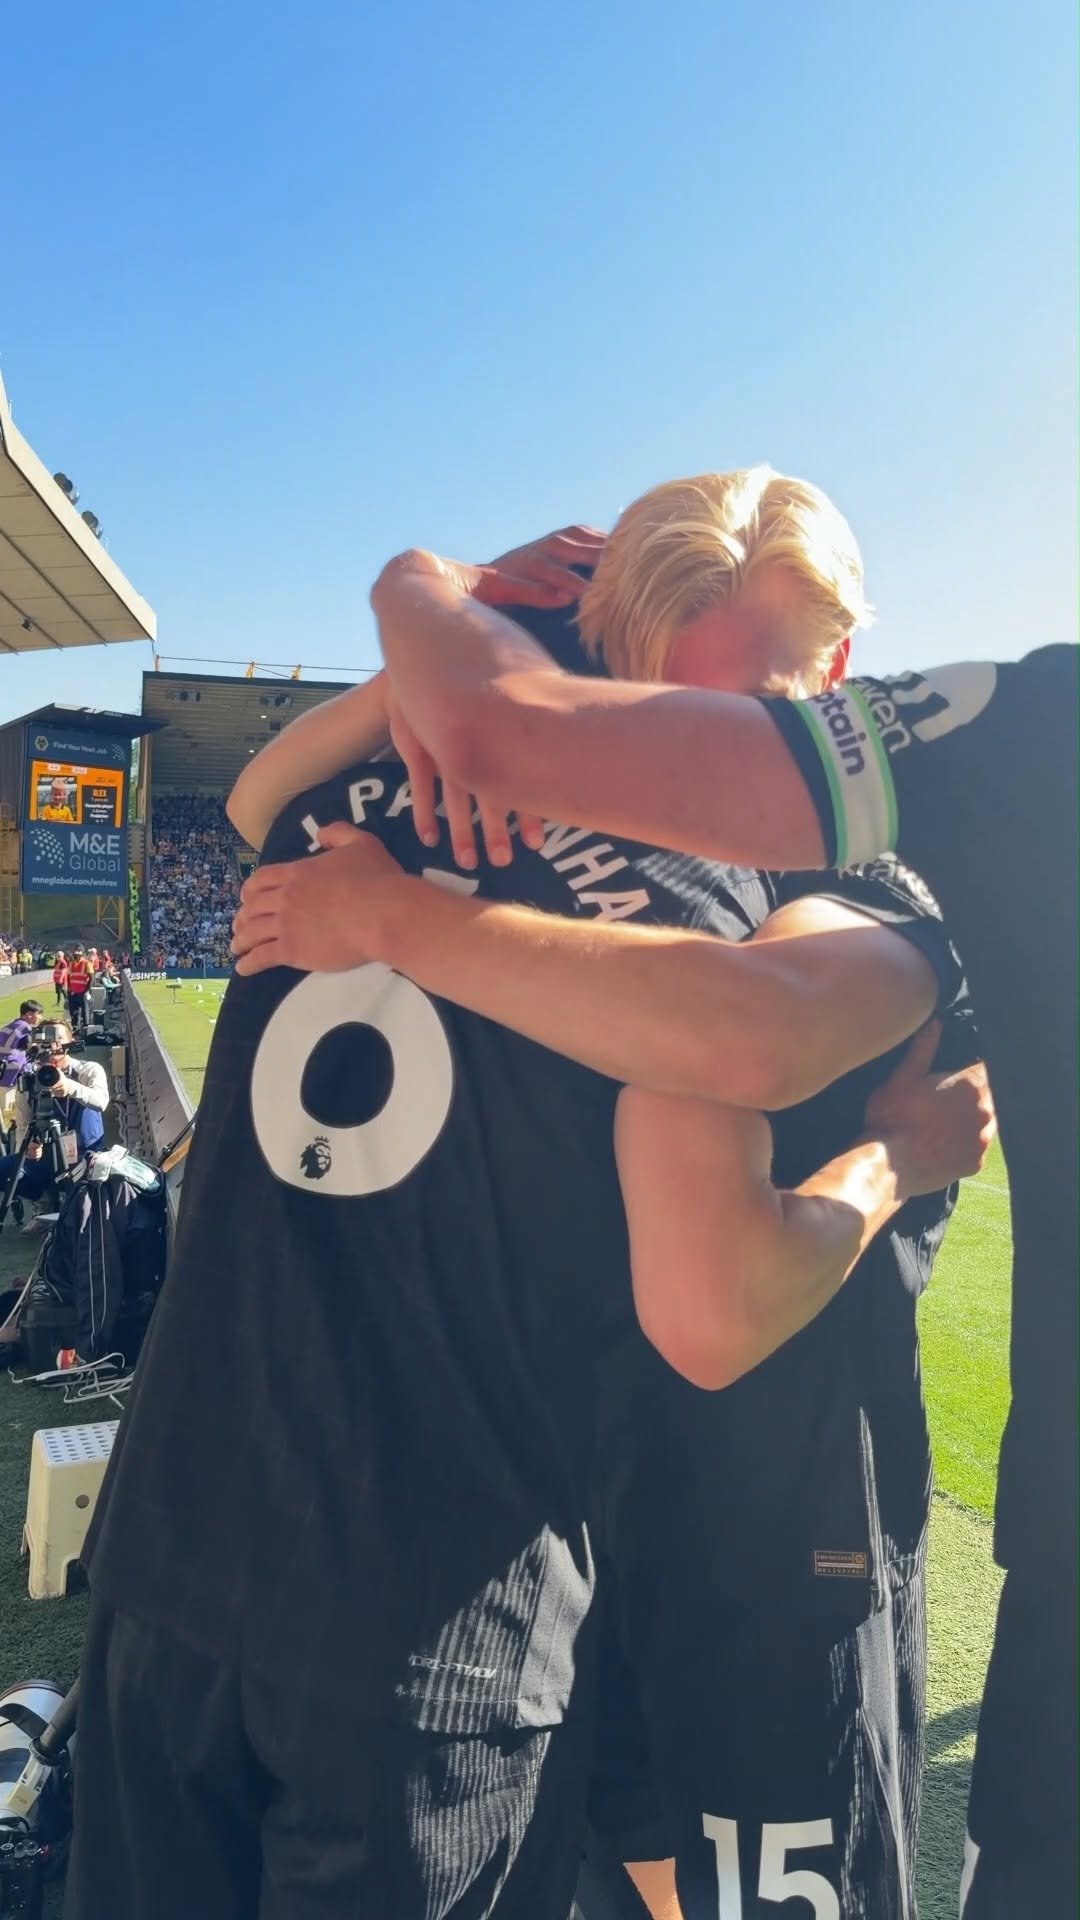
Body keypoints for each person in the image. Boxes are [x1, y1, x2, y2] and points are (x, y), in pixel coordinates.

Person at [68, 543, 986, 1920]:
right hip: (438, 1608)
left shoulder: (330, 794)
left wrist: (432, 604)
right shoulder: (712, 898)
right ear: (827, 673)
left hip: (177, 1541)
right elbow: (713, 1279)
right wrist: (897, 1162)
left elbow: (257, 796)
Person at [367, 518, 1078, 1920]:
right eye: (653, 692)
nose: (675, 749)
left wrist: (423, 592)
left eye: (740, 701)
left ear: (831, 682)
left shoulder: (872, 890)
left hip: (750, 1547)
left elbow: (733, 1055)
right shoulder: (626, 873)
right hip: (620, 1530)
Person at [0, 1018, 109, 1215]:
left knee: (80, 1205)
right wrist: (27, 1149)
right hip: (46, 1156)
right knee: (7, 1168)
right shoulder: (31, 1079)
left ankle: (74, 1209)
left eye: (57, 1039)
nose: (51, 1047)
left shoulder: (88, 1070)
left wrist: (69, 1087)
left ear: (70, 1042)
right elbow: (23, 1124)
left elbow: (101, 1102)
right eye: (45, 1041)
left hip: (85, 1155)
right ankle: (43, 1199)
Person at [0, 1000, 46, 1152]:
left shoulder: (11, 1025)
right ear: (29, 1014)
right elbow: (22, 1050)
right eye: (39, 1014)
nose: (41, 1017)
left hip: (5, 1071)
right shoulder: (24, 1027)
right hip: (9, 1075)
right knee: (9, 1112)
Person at [65, 948, 92, 1031]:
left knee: (85, 1011)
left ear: (82, 954)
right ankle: (75, 1028)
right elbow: (69, 977)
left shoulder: (87, 963)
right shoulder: (71, 964)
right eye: (76, 953)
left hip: (83, 991)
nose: (77, 955)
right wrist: (69, 988)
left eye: (79, 953)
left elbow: (92, 978)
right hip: (73, 991)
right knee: (73, 1011)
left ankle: (86, 1027)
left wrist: (87, 990)